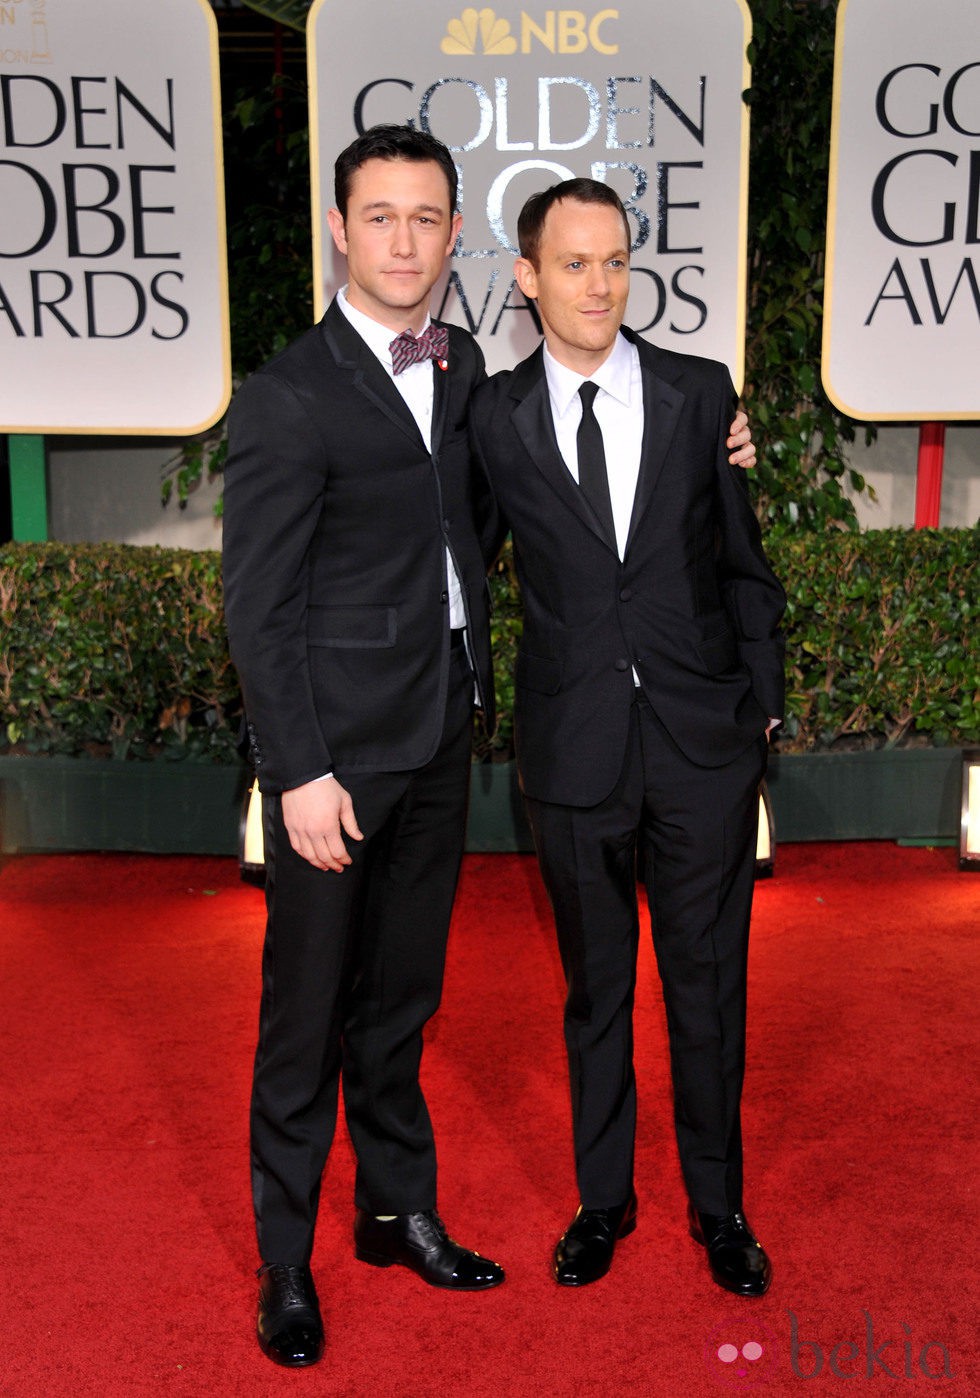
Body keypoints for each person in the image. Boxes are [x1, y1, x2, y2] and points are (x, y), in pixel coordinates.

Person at [223, 126, 758, 1369]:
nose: (403, 240)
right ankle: (286, 1265)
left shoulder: (469, 374)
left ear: (454, 235)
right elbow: (256, 605)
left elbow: (575, 470)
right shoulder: (287, 393)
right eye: (381, 218)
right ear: (340, 233)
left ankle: (394, 1212)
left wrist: (721, 442)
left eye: (425, 218)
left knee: (401, 1008)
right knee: (305, 1019)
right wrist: (293, 768)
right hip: (331, 772)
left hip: (439, 747)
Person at [469, 178, 785, 1298]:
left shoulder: (702, 396)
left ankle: (718, 1205)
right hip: (571, 755)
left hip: (702, 744)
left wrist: (760, 711)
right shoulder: (491, 418)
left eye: (614, 261)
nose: (597, 283)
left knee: (708, 986)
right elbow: (455, 564)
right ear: (527, 278)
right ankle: (601, 1201)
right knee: (595, 990)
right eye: (572, 263)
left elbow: (744, 568)